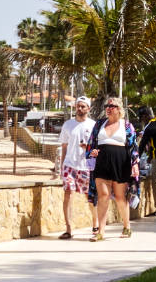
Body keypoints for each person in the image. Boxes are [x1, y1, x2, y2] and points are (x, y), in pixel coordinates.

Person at [84, 98, 138, 241]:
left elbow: (133, 146)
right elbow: (91, 143)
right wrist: (92, 152)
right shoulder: (100, 124)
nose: (108, 108)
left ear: (119, 109)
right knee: (103, 196)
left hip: (121, 162)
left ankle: (127, 226)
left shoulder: (126, 125)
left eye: (112, 106)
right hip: (102, 162)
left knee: (120, 197)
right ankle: (101, 231)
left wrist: (135, 164)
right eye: (107, 106)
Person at [56, 97, 94, 240]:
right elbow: (64, 146)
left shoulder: (93, 126)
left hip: (86, 167)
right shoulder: (68, 125)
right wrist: (61, 167)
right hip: (69, 165)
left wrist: (89, 149)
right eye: (78, 106)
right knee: (68, 194)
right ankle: (68, 229)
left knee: (89, 197)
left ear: (88, 109)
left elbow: (97, 148)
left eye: (83, 106)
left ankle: (95, 225)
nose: (80, 109)